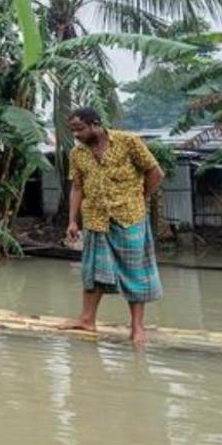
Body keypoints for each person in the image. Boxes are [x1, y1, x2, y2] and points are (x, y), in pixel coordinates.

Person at [63, 107, 165, 346]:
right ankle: (87, 319)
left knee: (134, 272)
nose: (76, 135)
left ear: (95, 124)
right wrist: (72, 220)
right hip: (96, 218)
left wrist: (140, 198)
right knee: (92, 271)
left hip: (129, 217)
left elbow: (155, 173)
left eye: (79, 129)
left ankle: (137, 327)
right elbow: (77, 187)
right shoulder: (78, 154)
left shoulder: (128, 142)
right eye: (73, 131)